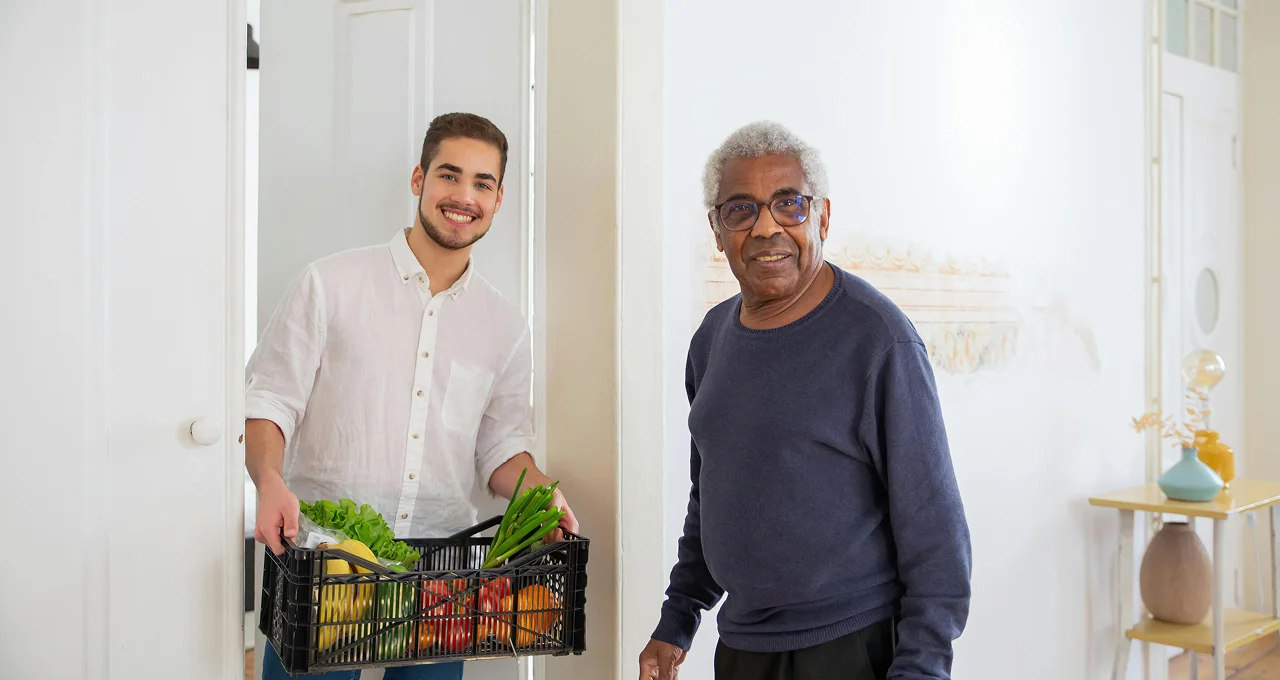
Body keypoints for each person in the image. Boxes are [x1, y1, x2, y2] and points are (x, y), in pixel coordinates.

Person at [246, 112, 577, 680]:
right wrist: (269, 481)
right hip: (324, 560)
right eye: (449, 175)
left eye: (483, 183)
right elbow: (271, 401)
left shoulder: (504, 326)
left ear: (499, 199)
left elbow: (500, 446)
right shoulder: (330, 284)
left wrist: (541, 496)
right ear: (419, 179)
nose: (464, 196)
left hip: (440, 578)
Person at [638, 121, 972, 680]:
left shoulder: (877, 340)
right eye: (741, 209)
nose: (766, 226)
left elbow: (936, 533)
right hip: (742, 648)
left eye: (788, 204)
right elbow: (712, 494)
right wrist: (678, 618)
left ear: (822, 217)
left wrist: (922, 669)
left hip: (851, 647)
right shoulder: (711, 340)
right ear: (717, 230)